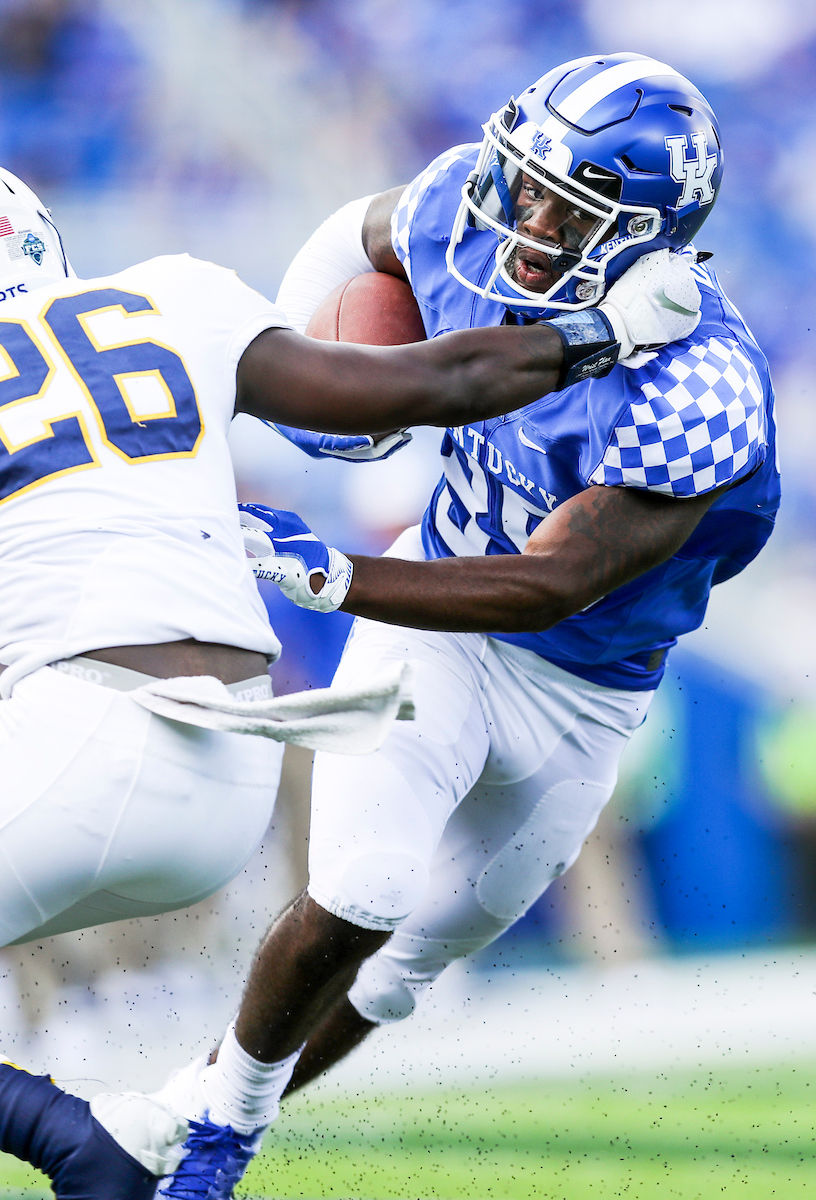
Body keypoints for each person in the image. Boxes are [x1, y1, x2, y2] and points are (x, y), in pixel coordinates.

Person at [0, 152, 692, 1199]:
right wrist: (602, 330)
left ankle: (81, 1140)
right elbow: (434, 384)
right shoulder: (172, 297)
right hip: (231, 771)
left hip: (83, 742)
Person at [151, 53, 779, 1199]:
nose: (526, 222)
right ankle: (211, 1141)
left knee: (402, 973)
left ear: (648, 237)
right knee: (365, 889)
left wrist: (338, 577)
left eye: (568, 209)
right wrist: (324, 381)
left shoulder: (702, 389)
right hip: (435, 611)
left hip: (581, 686)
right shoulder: (460, 207)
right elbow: (356, 234)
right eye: (526, 185)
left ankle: (170, 1114)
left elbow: (546, 586)